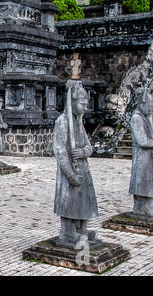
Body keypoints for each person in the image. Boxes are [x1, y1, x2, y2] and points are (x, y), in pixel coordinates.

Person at [53, 80, 98, 245]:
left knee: (84, 198)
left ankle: (82, 228)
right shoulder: (63, 122)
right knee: (69, 200)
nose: (85, 105)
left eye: (86, 101)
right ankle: (68, 232)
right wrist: (70, 174)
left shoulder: (78, 122)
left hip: (82, 167)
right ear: (72, 102)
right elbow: (59, 150)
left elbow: (89, 146)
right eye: (82, 101)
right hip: (69, 171)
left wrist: (84, 151)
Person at [129, 87, 153, 218]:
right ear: (142, 105)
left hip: (150, 157)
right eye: (150, 105)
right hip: (143, 158)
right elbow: (142, 141)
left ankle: (149, 203)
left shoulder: (146, 117)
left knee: (151, 180)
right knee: (143, 181)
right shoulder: (137, 118)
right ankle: (141, 207)